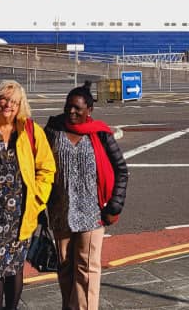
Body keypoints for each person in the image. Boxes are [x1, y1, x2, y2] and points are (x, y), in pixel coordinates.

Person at [0, 80, 55, 310]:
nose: (8, 105)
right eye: (4, 99)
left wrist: (37, 200)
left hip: (21, 213)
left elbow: (47, 168)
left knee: (15, 267)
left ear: (20, 105)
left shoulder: (31, 131)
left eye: (14, 101)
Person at [45, 82, 129, 310]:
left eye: (77, 108)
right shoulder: (53, 131)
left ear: (89, 110)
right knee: (65, 267)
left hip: (93, 213)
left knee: (87, 268)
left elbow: (121, 169)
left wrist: (115, 205)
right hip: (61, 212)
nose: (71, 112)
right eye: (68, 107)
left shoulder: (100, 134)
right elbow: (40, 165)